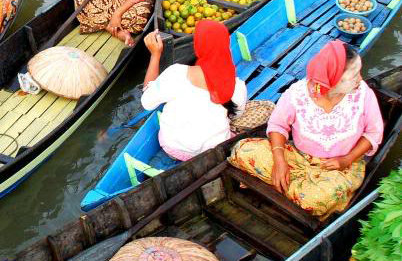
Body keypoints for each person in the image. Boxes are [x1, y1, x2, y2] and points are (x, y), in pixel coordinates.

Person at [229, 41, 384, 217]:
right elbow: (277, 126)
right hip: (296, 156)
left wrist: (347, 159)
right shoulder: (297, 93)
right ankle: (294, 190)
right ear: (333, 83)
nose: (360, 79)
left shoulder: (363, 94)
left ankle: (284, 189)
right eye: (354, 75)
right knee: (243, 150)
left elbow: (373, 133)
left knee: (318, 198)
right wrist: (280, 162)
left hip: (339, 166)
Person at [140, 21, 252, 160]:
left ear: (197, 46)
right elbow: (236, 115)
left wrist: (155, 55)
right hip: (214, 152)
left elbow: (146, 102)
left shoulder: (175, 73)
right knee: (264, 107)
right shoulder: (237, 85)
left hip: (174, 149)